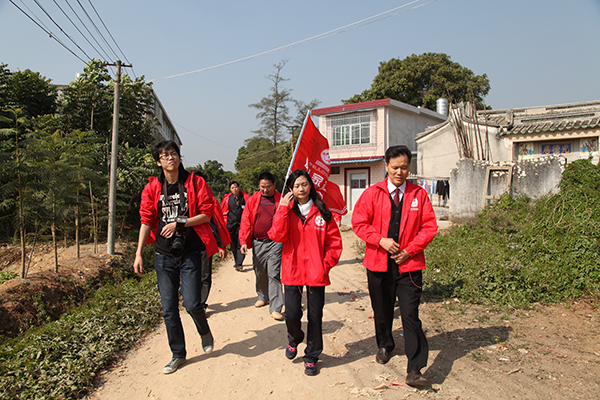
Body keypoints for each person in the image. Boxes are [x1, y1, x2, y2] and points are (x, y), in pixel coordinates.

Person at [351, 145, 438, 387]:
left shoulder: (418, 195)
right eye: (395, 167)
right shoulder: (372, 194)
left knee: (410, 314)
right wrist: (380, 240)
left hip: (409, 265)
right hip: (378, 263)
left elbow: (429, 227)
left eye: (405, 167)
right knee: (382, 310)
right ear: (386, 166)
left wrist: (410, 251)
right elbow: (359, 223)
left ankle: (415, 368)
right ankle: (385, 344)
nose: (400, 172)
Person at [133, 140, 217, 375]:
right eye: (165, 155)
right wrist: (139, 253)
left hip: (190, 252)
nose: (171, 158)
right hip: (163, 255)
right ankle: (178, 354)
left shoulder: (195, 182)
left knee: (192, 303)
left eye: (174, 154)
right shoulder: (152, 187)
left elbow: (207, 214)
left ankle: (204, 330)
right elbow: (146, 220)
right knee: (169, 308)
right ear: (158, 162)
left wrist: (180, 222)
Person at [268, 170, 342, 376]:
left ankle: (312, 356)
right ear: (290, 189)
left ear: (310, 186)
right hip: (292, 270)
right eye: (296, 186)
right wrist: (282, 209)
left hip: (316, 272)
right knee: (291, 314)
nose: (301, 189)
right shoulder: (286, 211)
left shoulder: (322, 213)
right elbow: (276, 235)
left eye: (304, 184)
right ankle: (294, 338)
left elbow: (334, 244)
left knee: (315, 316)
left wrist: (324, 265)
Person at [239, 172, 284, 321]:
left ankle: (276, 307)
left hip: (275, 243)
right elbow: (245, 220)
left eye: (268, 186)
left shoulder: (281, 200)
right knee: (260, 271)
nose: (265, 190)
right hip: (258, 243)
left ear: (274, 185)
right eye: (262, 187)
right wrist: (243, 241)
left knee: (274, 274)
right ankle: (263, 296)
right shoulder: (253, 200)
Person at [200, 196, 231, 313]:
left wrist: (221, 245)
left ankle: (201, 304)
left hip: (205, 244)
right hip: (186, 245)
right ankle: (192, 301)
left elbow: (215, 224)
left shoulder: (209, 201)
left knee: (204, 274)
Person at [221, 182, 250, 271]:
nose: (234, 189)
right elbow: (224, 212)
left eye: (236, 187)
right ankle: (237, 261)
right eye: (232, 188)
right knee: (233, 244)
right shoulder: (227, 199)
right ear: (230, 189)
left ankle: (239, 263)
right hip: (231, 225)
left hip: (242, 225)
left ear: (239, 187)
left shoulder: (245, 197)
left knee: (241, 243)